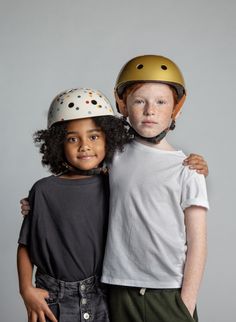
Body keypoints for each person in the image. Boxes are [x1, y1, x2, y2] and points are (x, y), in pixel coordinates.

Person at [101, 55, 209, 322]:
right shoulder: (112, 156)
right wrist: (36, 201)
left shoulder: (187, 168)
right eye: (139, 101)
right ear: (123, 105)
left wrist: (186, 303)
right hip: (119, 286)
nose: (150, 110)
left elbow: (197, 242)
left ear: (176, 109)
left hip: (168, 292)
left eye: (161, 102)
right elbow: (80, 188)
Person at [17, 88, 130, 322]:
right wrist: (26, 289)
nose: (84, 146)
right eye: (72, 138)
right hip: (55, 300)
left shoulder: (115, 185)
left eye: (94, 136)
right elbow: (26, 245)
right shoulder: (44, 190)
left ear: (109, 137)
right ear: (58, 143)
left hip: (103, 295)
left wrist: (192, 165)